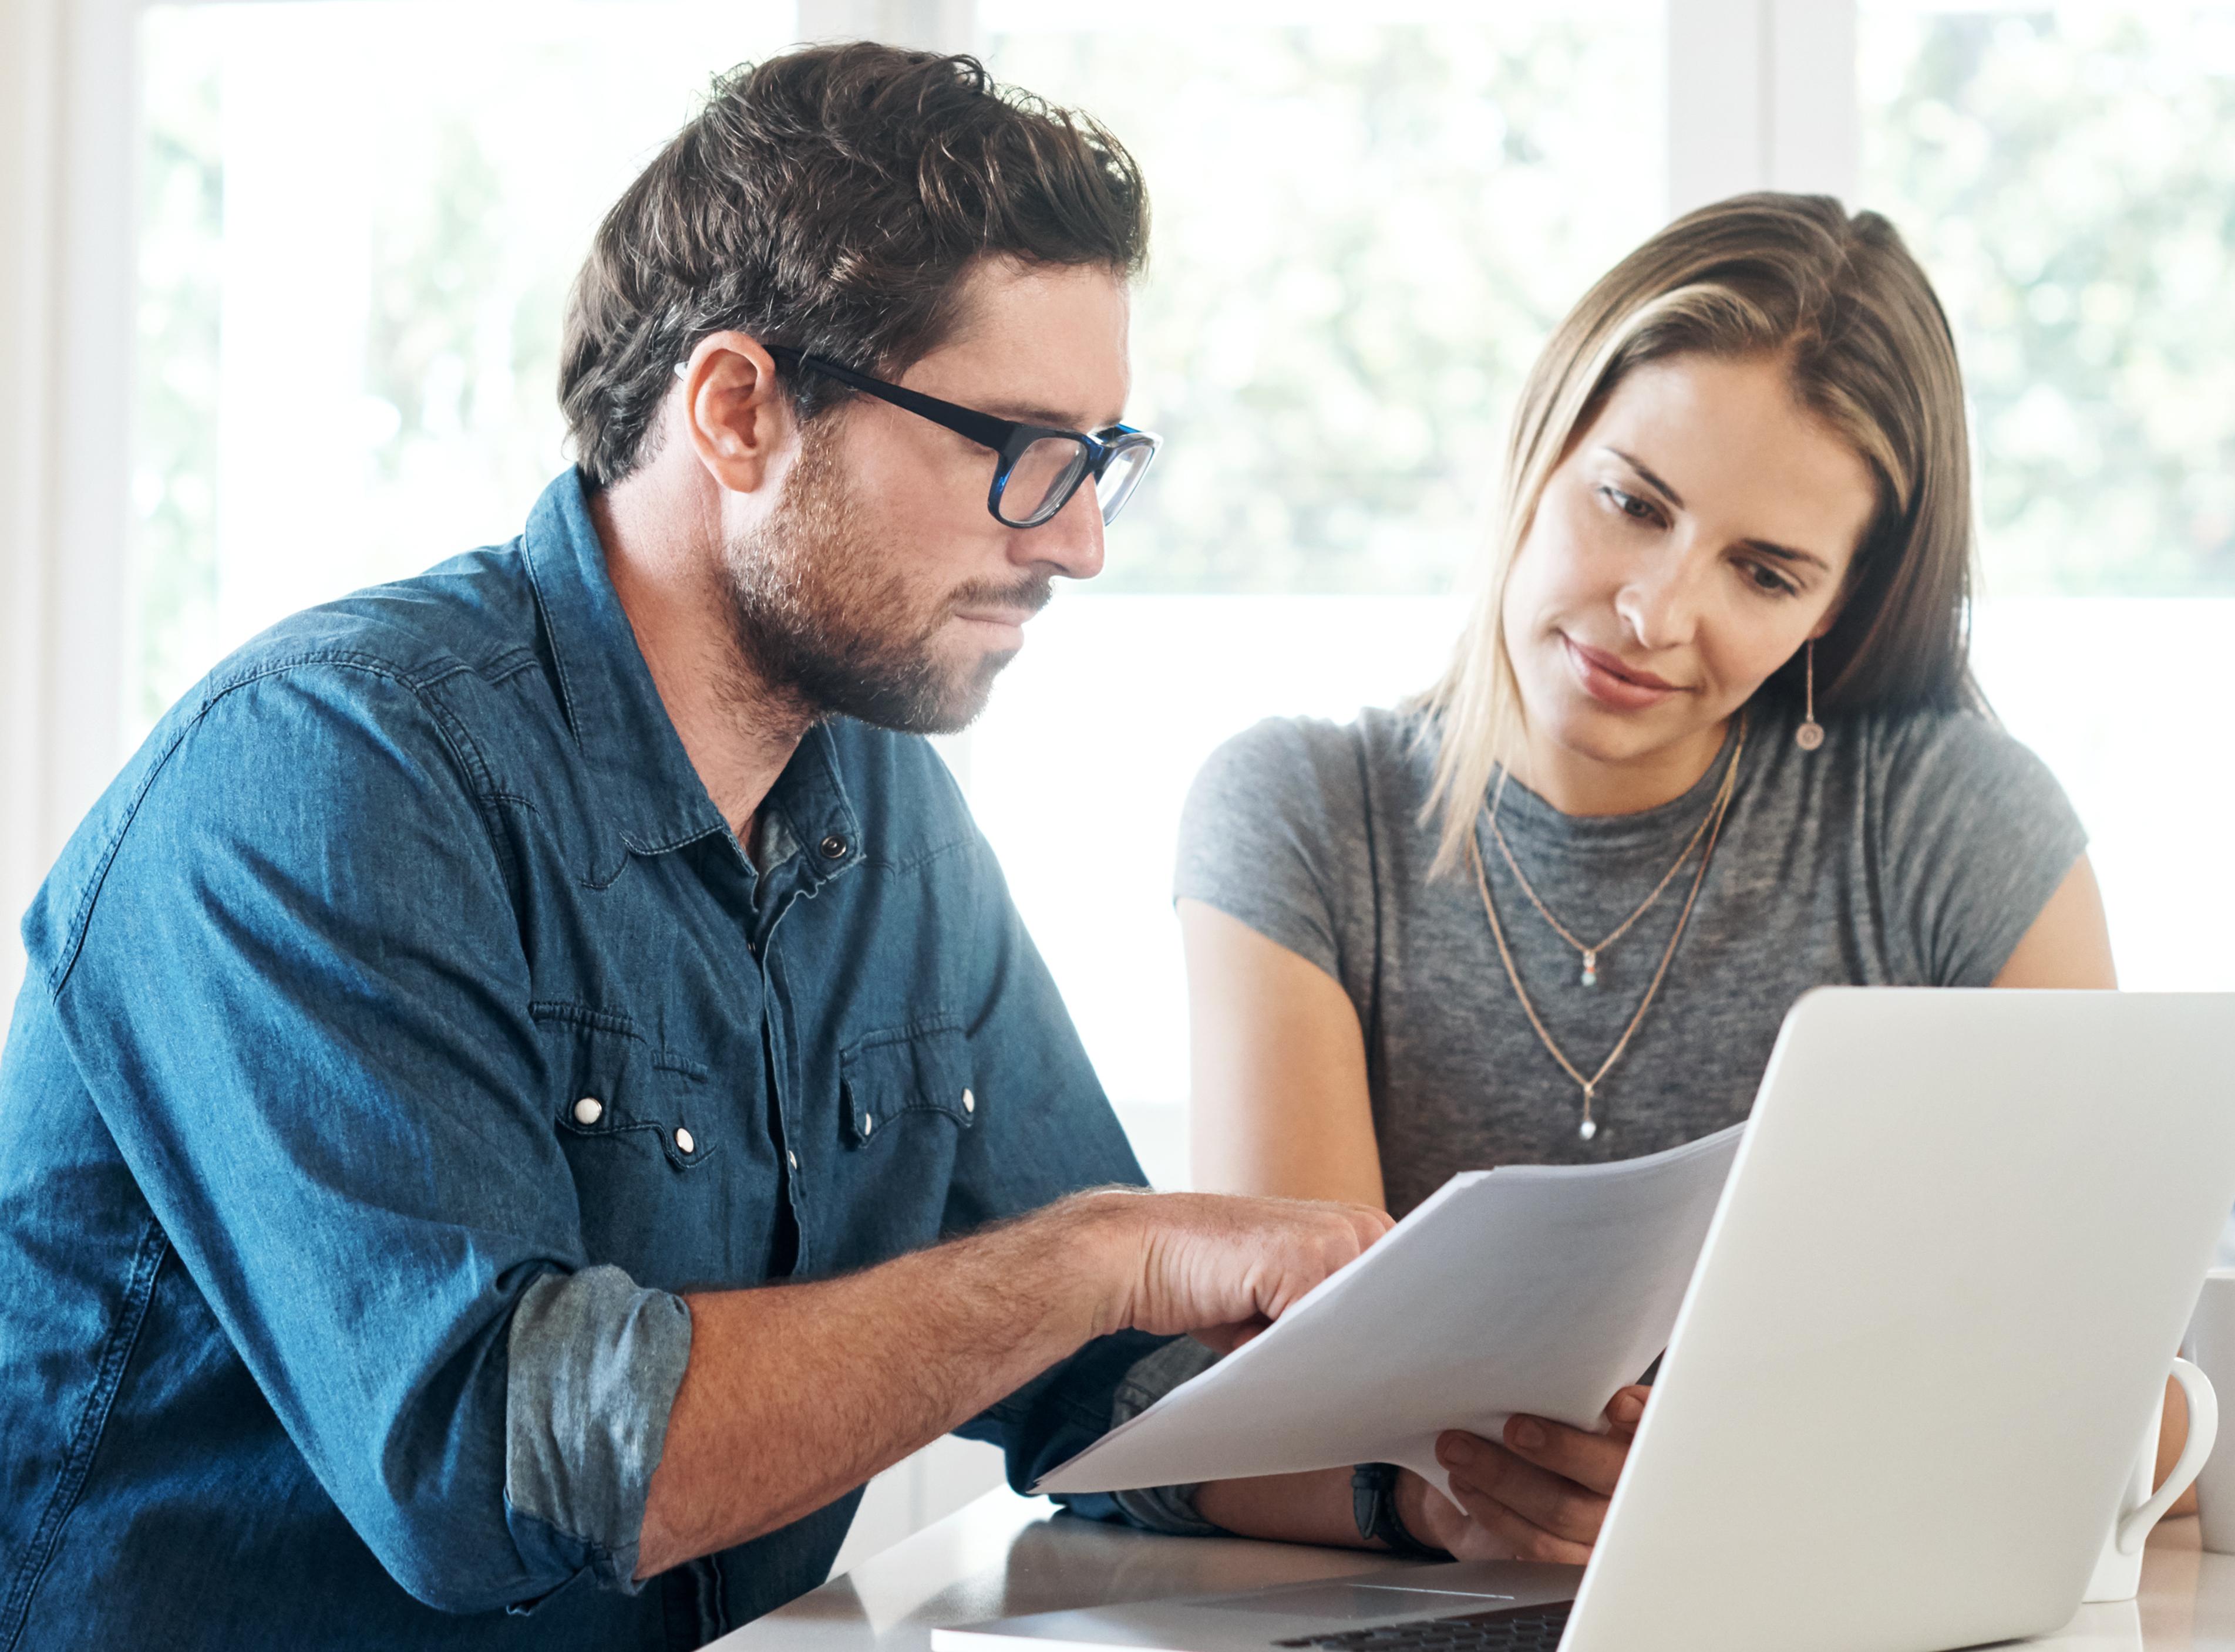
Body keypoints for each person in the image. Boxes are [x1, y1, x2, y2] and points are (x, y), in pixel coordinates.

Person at [0, 44, 1630, 1651]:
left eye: (1100, 457)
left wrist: (1418, 1489)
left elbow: (1094, 1378)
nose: (1076, 537)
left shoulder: (880, 800)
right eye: (1017, 450)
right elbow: (503, 1465)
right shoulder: (324, 771)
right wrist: (1092, 1256)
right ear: (735, 409)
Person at [1173, 194, 2130, 1554]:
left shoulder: (1949, 821)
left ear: (1836, 609)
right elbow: (1298, 1399)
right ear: (1539, 441)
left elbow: (2111, 1373)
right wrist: (1457, 1509)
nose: (1654, 613)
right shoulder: (1299, 813)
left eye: (1763, 572)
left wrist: (1739, 1489)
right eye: (1630, 503)